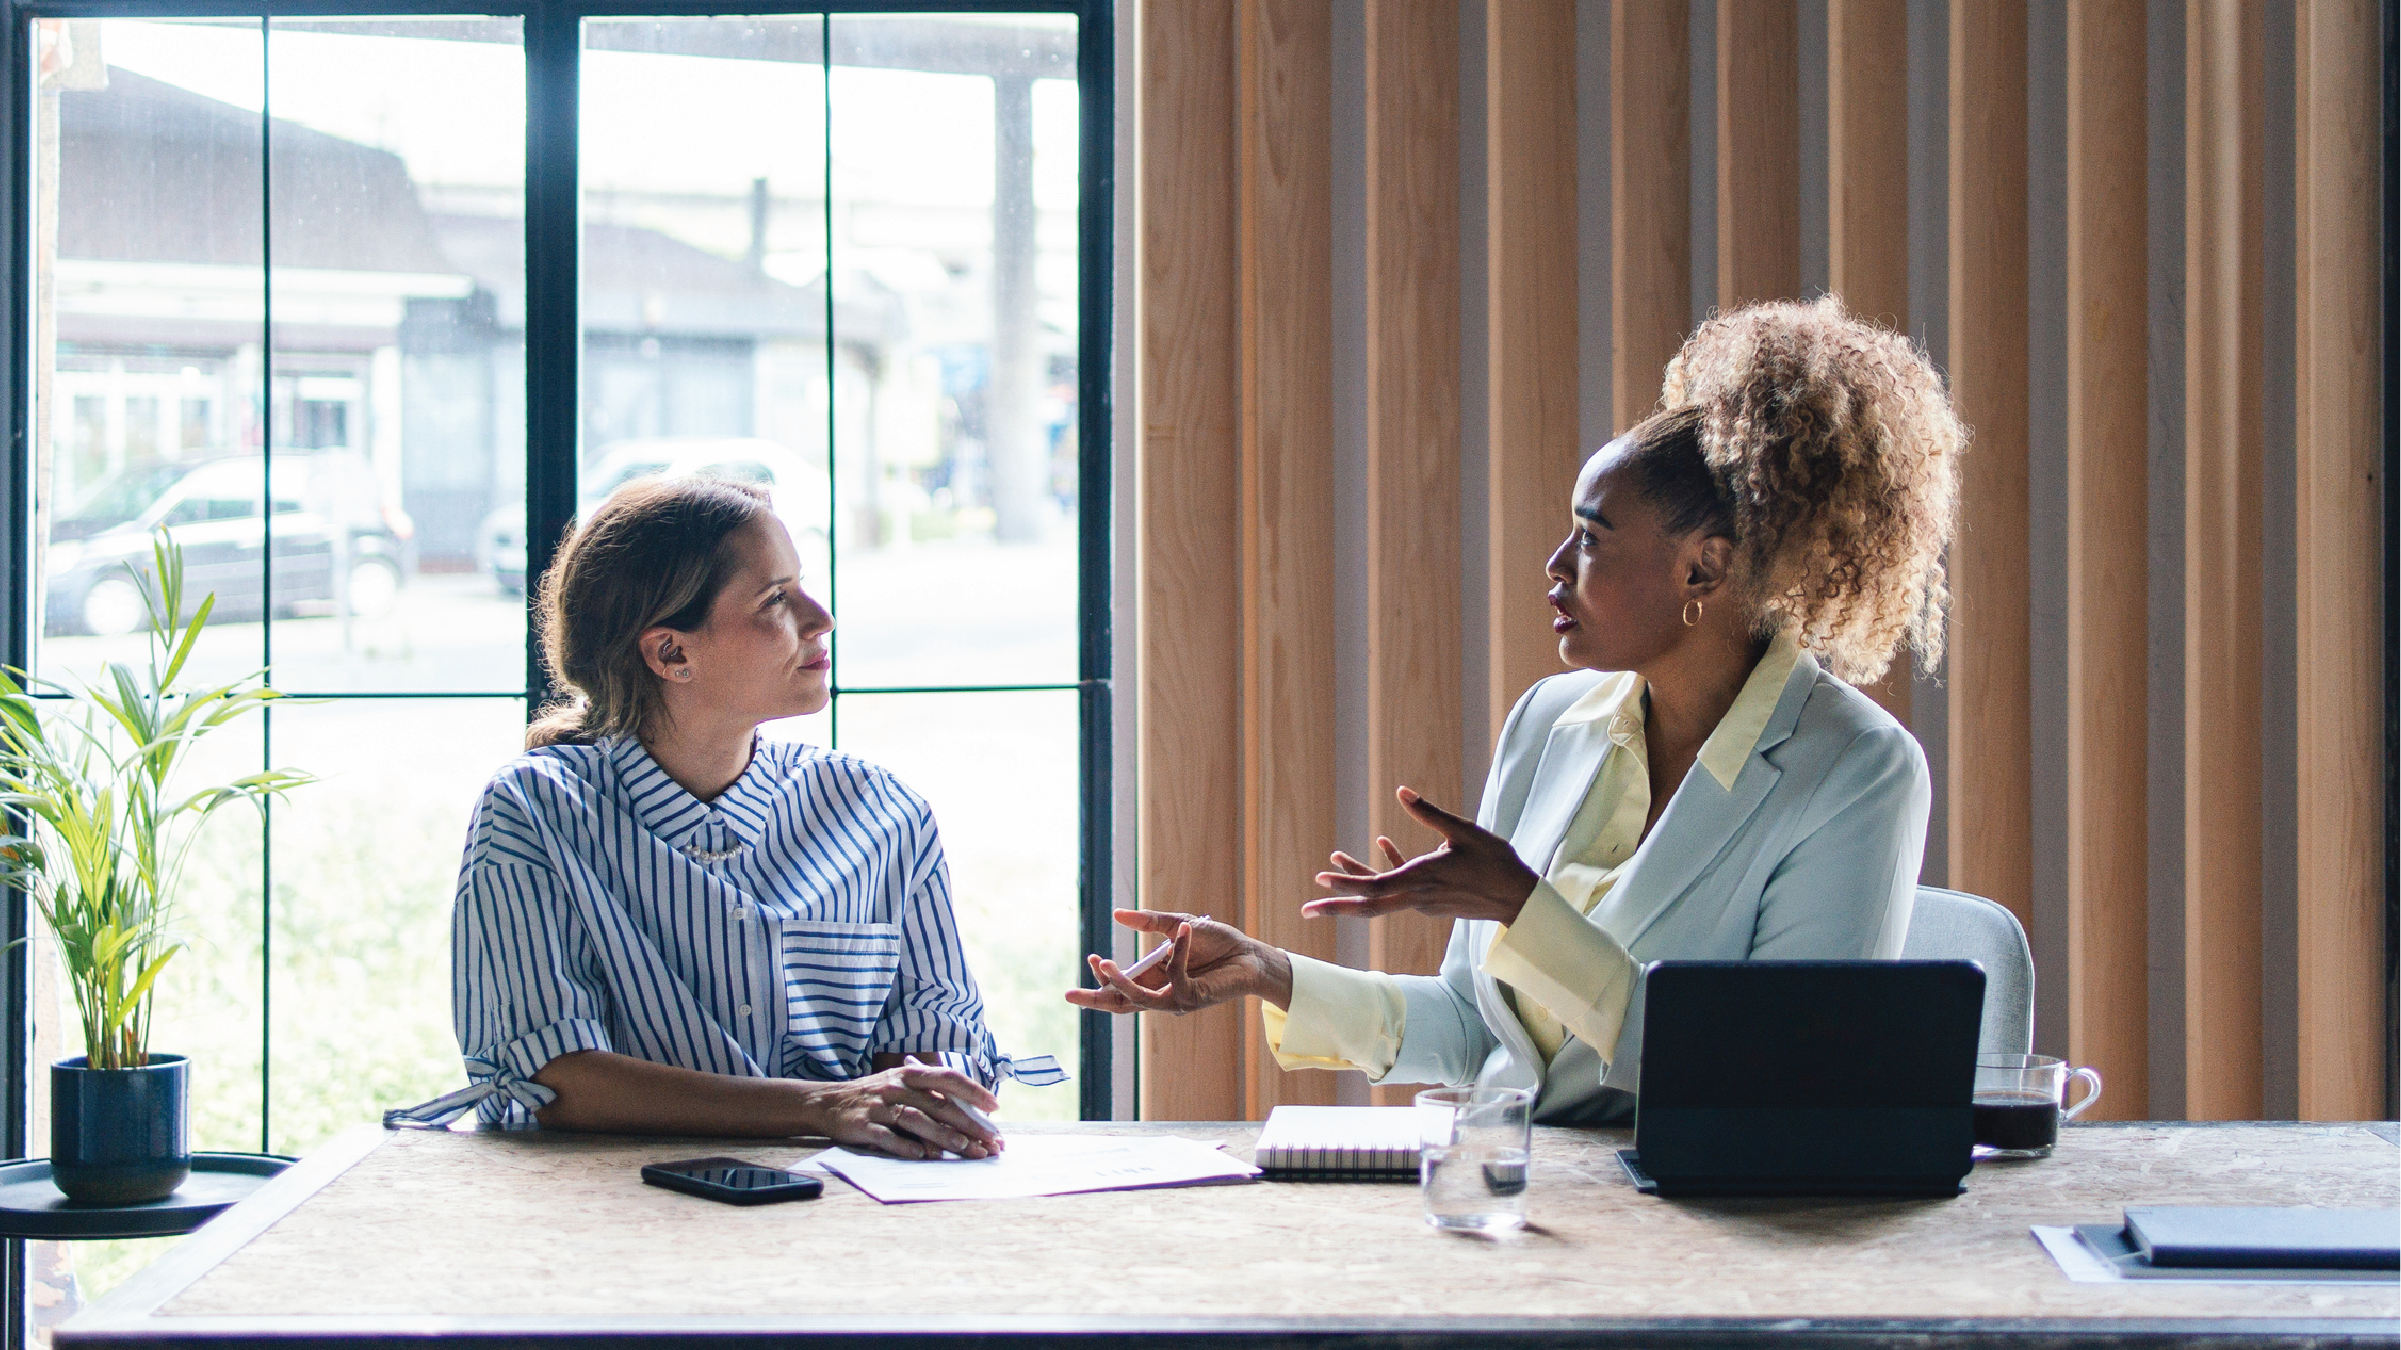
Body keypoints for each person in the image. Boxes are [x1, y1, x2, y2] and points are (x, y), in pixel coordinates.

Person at [1068, 297, 1961, 1122]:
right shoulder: (1549, 721)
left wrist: (1527, 911)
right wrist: (1266, 973)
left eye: (1593, 538)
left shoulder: (1854, 770)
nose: (1555, 563)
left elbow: (1777, 1083)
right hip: (1508, 1191)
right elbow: (1470, 1032)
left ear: (1704, 568)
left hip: (1699, 1230)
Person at [391, 476, 1060, 1155]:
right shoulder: (535, 813)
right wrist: (825, 1105)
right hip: (611, 1222)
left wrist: (921, 1096)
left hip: (853, 1211)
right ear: (671, 653)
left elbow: (940, 1043)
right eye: (776, 598)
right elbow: (553, 1079)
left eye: (800, 585)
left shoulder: (883, 812)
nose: (820, 616)